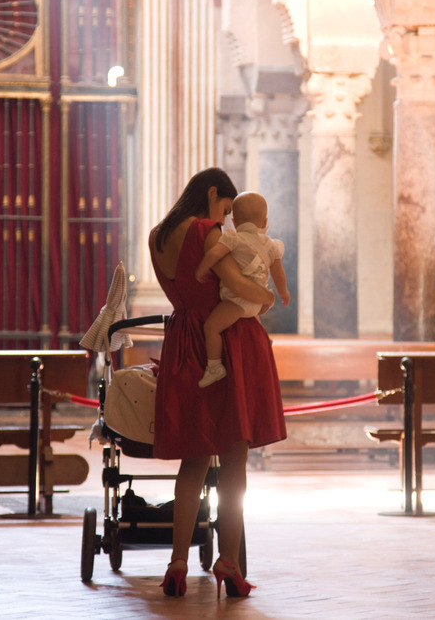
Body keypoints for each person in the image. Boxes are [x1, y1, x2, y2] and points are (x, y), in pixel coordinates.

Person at [149, 167, 287, 599]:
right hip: (228, 344)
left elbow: (184, 287)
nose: (227, 221)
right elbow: (237, 282)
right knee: (234, 462)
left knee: (192, 462)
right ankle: (228, 561)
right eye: (226, 209)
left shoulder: (156, 235)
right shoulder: (207, 230)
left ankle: (177, 564)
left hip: (183, 343)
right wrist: (266, 297)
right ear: (213, 194)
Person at [196, 191, 290, 387]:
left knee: (212, 327)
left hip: (237, 300)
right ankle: (264, 340)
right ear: (264, 222)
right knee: (255, 322)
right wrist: (283, 293)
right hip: (258, 303)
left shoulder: (233, 239)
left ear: (235, 222)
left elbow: (215, 253)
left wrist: (202, 268)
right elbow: (278, 274)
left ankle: (214, 367)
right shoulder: (272, 246)